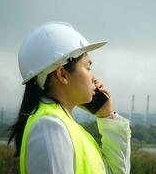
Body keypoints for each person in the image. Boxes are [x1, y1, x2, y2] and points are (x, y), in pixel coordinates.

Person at [8, 22, 131, 174]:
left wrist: (107, 116)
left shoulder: (68, 127)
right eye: (88, 67)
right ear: (62, 74)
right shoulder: (50, 127)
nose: (93, 78)